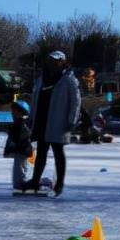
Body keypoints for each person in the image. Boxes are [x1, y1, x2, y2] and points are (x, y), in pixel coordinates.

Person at [25, 50, 80, 197]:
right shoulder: (42, 79)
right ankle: (35, 181)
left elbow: (76, 102)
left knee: (58, 153)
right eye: (51, 60)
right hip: (42, 120)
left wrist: (72, 120)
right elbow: (34, 100)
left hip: (58, 122)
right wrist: (31, 117)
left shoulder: (69, 80)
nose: (52, 63)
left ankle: (59, 184)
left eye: (56, 60)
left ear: (63, 62)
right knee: (41, 152)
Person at [4, 100, 34, 193]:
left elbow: (23, 140)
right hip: (20, 153)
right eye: (12, 110)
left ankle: (42, 182)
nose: (12, 113)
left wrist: (11, 149)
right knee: (17, 183)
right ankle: (32, 181)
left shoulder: (22, 124)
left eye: (14, 111)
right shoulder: (18, 124)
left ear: (21, 112)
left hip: (23, 153)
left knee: (20, 182)